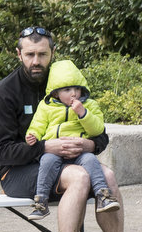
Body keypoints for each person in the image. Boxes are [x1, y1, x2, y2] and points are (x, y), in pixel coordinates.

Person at [0, 27, 142, 232]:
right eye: (30, 54)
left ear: (52, 53)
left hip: (67, 162)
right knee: (79, 177)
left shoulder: (67, 82)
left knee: (108, 176)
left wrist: (90, 145)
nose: (36, 61)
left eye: (42, 54)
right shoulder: (3, 93)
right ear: (19, 54)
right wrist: (44, 146)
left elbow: (100, 134)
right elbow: (3, 152)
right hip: (17, 172)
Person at [26, 60, 117, 218]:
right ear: (55, 93)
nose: (74, 93)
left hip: (80, 152)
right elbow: (38, 124)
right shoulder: (46, 107)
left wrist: (83, 114)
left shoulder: (89, 105)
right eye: (67, 89)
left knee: (91, 160)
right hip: (54, 151)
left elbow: (97, 129)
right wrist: (33, 135)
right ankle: (41, 201)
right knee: (46, 162)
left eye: (77, 88)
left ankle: (103, 195)